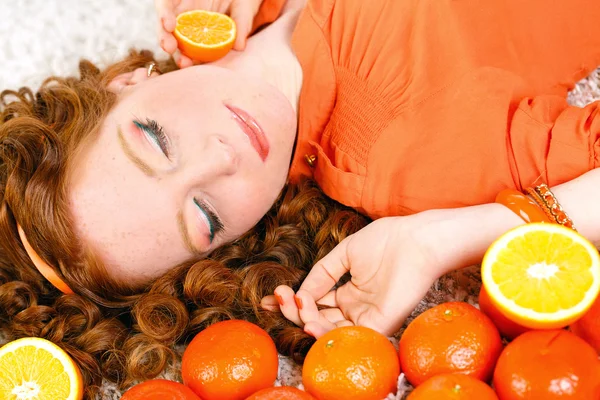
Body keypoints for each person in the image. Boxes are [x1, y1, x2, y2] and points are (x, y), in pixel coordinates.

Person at [1, 0, 600, 395]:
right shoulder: (413, 159)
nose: (223, 155)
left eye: (155, 140)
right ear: (230, 249)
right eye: (205, 215)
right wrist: (446, 236)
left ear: (122, 84)